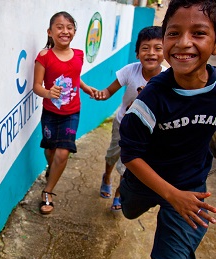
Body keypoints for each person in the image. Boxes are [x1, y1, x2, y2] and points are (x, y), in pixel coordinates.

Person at [119, 0, 216, 259]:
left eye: (198, 33)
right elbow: (130, 154)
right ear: (164, 40)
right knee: (129, 211)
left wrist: (179, 197)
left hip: (190, 187)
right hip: (143, 182)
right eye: (174, 33)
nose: (184, 43)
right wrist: (170, 195)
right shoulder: (149, 100)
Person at [33, 11, 98, 214]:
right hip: (51, 113)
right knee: (51, 151)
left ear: (74, 32)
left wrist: (86, 88)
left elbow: (74, 77)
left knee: (63, 152)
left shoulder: (78, 55)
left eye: (69, 27)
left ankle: (48, 191)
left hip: (72, 112)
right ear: (50, 32)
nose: (65, 31)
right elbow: (36, 86)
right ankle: (52, 173)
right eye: (59, 27)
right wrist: (48, 92)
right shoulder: (44, 57)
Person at [96, 26, 167, 211]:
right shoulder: (130, 71)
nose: (151, 53)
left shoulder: (169, 78)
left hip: (148, 133)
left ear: (165, 51)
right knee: (113, 155)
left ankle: (119, 194)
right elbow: (109, 91)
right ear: (137, 54)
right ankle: (106, 176)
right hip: (122, 125)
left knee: (129, 166)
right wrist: (100, 94)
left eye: (158, 48)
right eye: (145, 48)